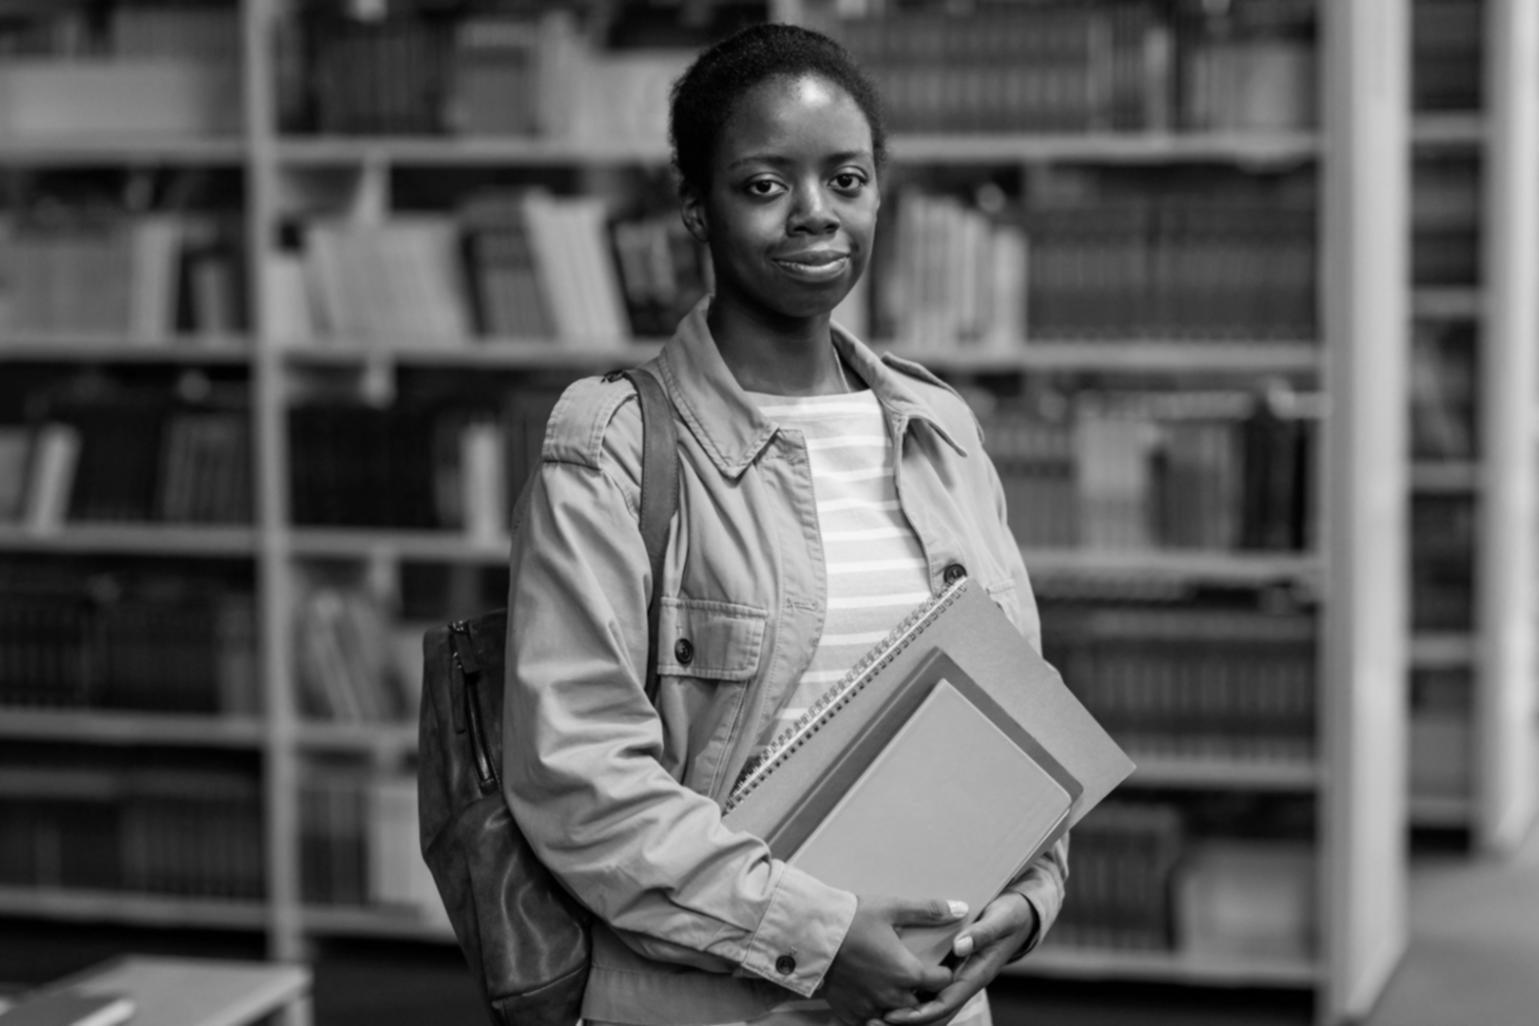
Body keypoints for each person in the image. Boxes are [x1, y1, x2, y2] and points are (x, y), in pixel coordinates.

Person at [500, 21, 1068, 1026]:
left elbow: (1017, 719)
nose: (817, 215)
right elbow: (579, 781)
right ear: (693, 207)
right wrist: (819, 939)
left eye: (847, 180)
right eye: (765, 185)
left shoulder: (942, 430)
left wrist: (1024, 903)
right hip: (713, 1005)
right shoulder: (615, 447)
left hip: (932, 1001)